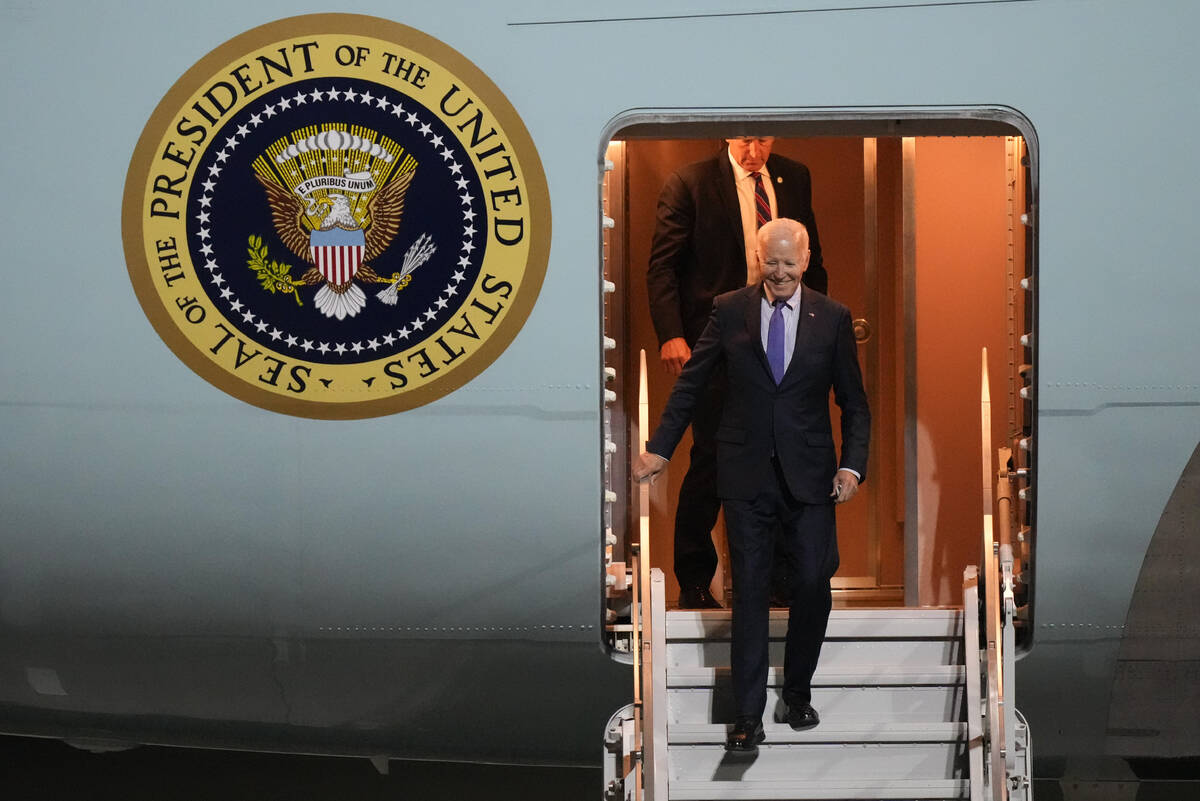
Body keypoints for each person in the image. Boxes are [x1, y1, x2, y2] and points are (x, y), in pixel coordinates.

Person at [634, 219, 869, 753]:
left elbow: (854, 402)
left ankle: (798, 690)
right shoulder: (729, 308)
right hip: (744, 475)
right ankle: (747, 717)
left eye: (790, 262)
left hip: (811, 477)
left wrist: (852, 467)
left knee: (812, 581)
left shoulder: (831, 318)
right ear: (757, 258)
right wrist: (661, 447)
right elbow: (692, 382)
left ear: (806, 260)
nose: (781, 272)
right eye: (772, 262)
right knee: (750, 594)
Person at [646, 136, 827, 609]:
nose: (754, 151)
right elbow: (663, 266)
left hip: (784, 332)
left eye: (763, 140)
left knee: (783, 452)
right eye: (746, 141)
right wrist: (671, 333)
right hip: (719, 336)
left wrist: (820, 330)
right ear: (727, 136)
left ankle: (780, 578)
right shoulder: (691, 182)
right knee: (710, 456)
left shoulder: (795, 175)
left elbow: (815, 259)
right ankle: (694, 579)